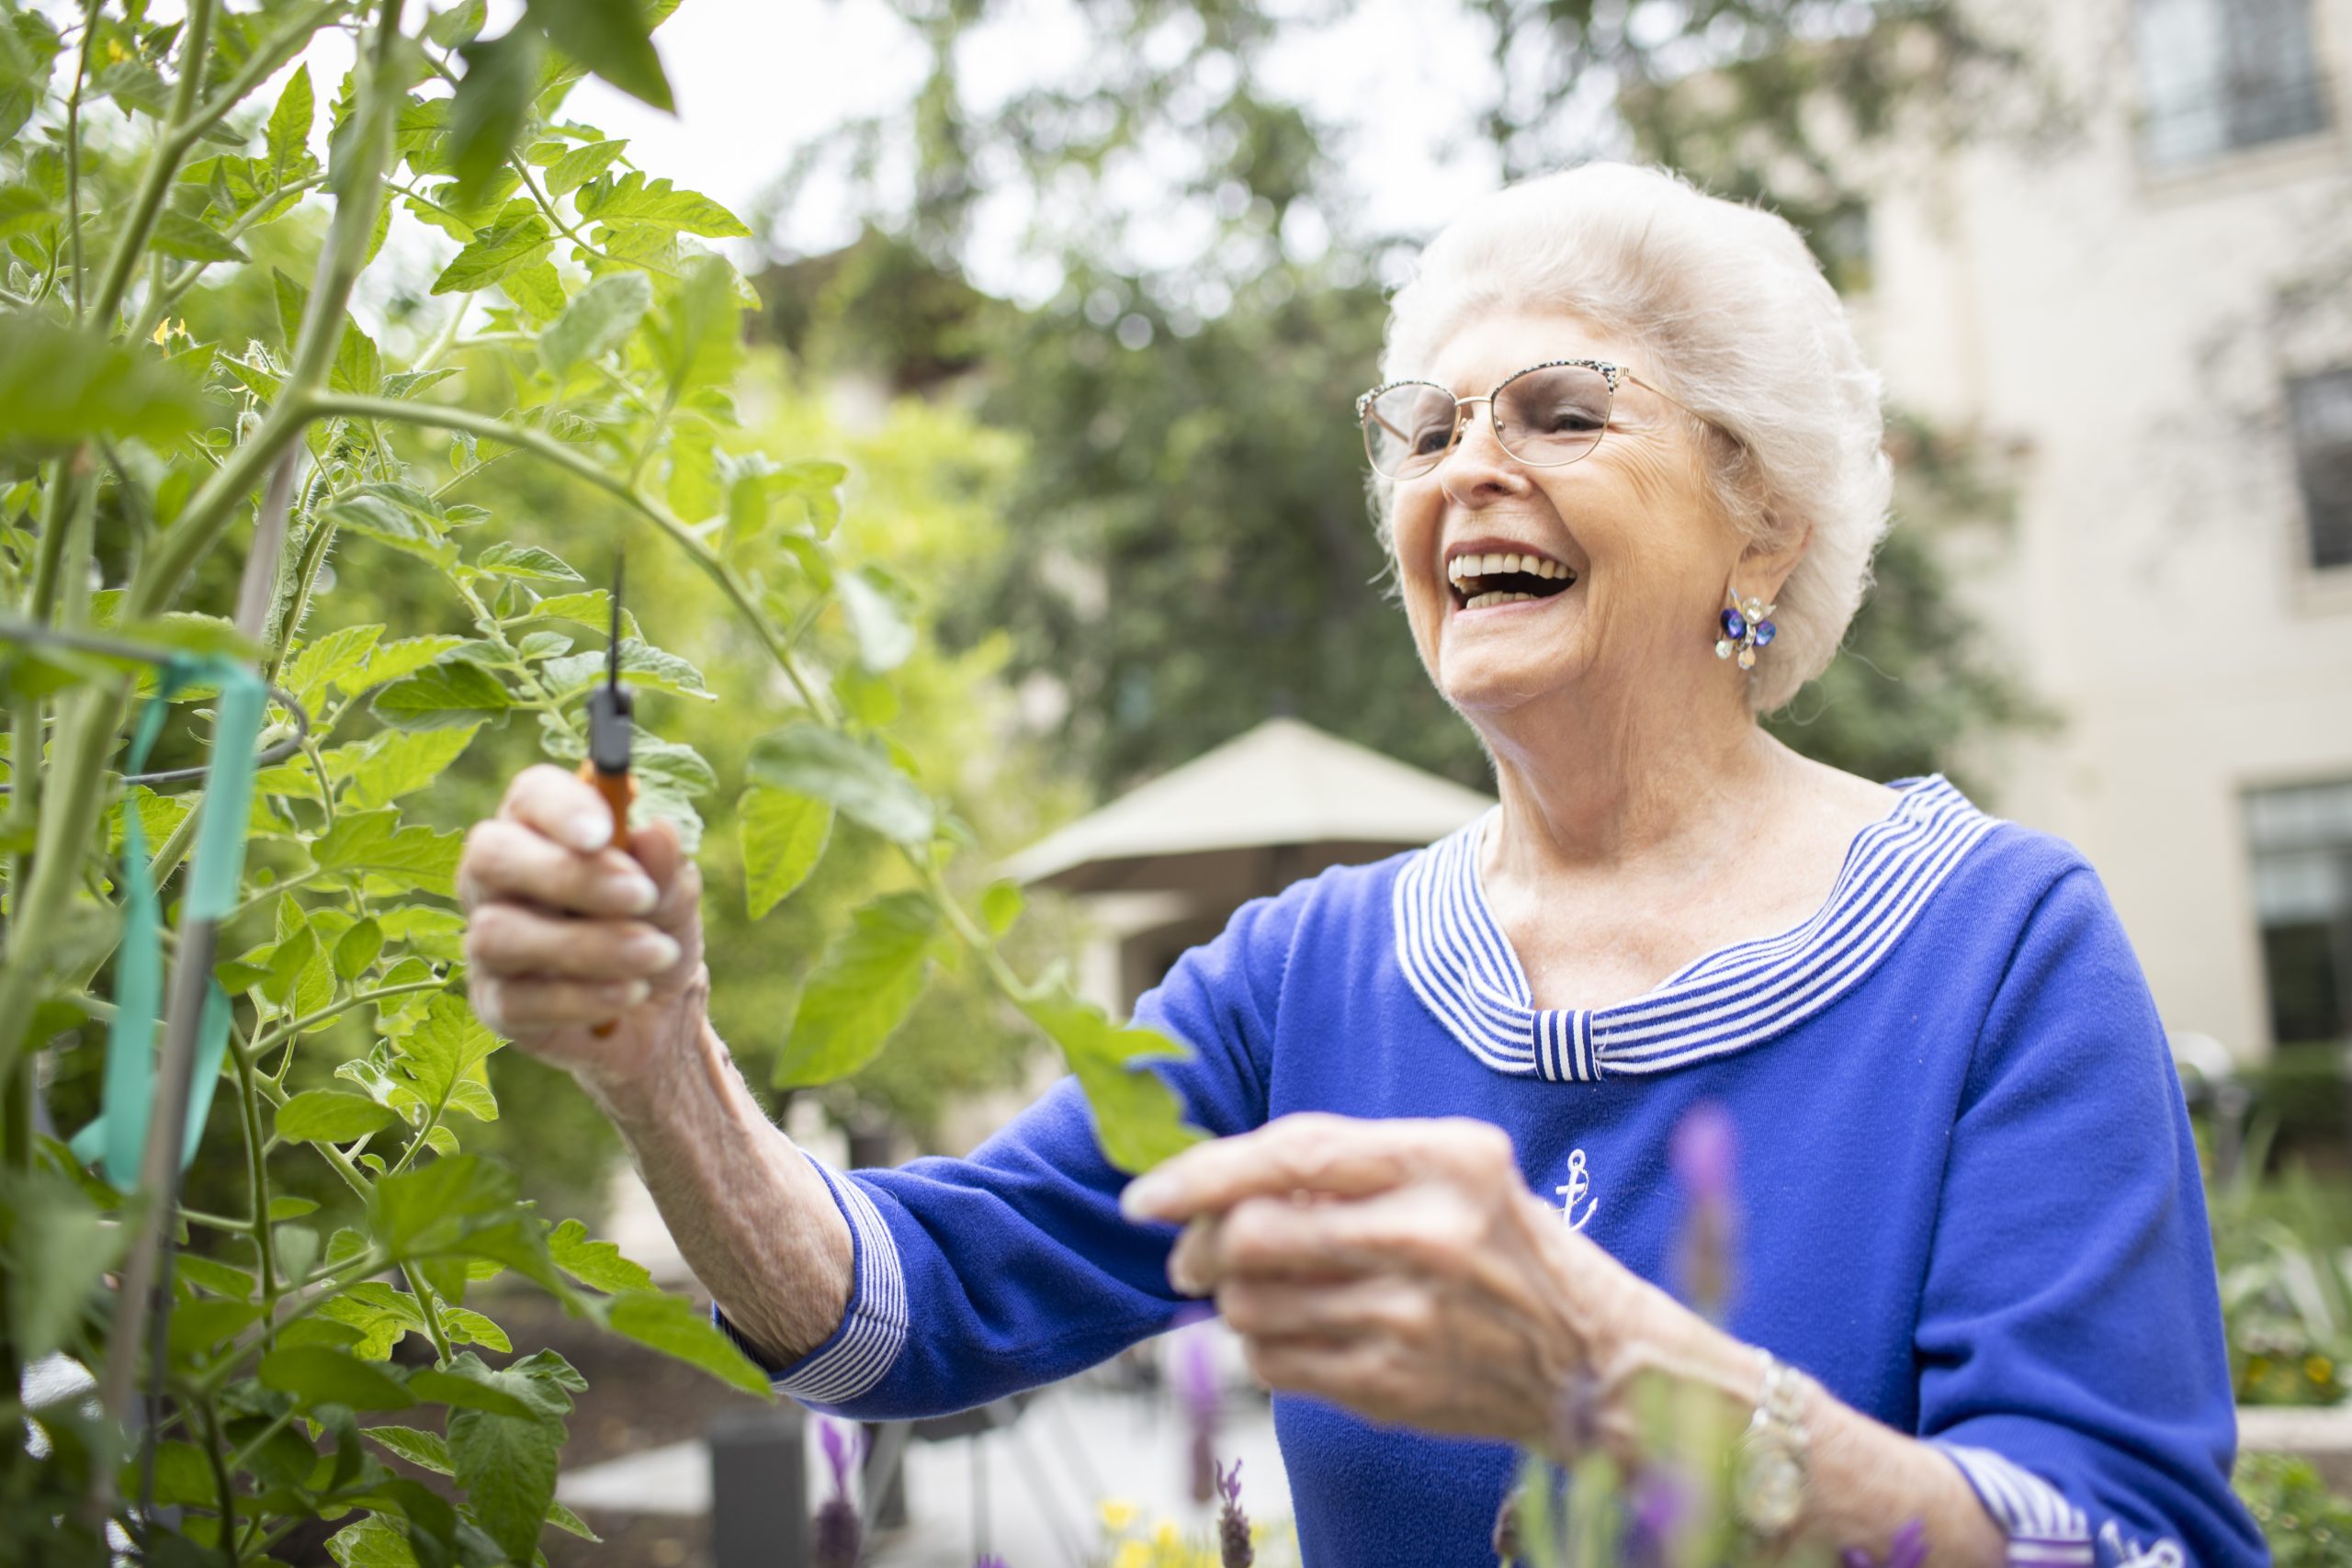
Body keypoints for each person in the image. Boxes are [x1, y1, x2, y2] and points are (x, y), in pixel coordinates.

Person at [457, 164, 2265, 1566]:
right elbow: (910, 1313)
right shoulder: (1299, 974)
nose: (1464, 469)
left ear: (1760, 517)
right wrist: (662, 1056)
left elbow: (2129, 1534)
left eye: (1557, 411)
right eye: (1424, 428)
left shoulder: (1998, 949)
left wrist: (1620, 1382)